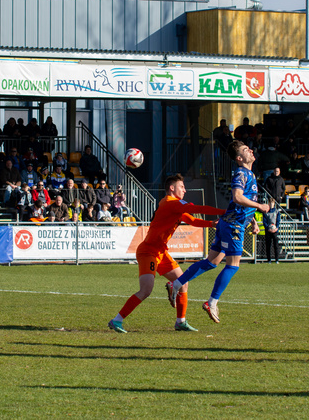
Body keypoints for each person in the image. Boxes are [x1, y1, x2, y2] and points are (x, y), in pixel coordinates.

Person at [108, 173, 225, 334]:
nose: (184, 190)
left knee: (183, 283)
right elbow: (196, 208)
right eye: (182, 187)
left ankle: (180, 322)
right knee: (146, 290)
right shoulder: (171, 203)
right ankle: (117, 320)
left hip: (161, 252)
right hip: (148, 252)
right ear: (172, 188)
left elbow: (191, 220)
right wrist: (224, 211)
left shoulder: (176, 206)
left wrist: (211, 223)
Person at [170, 140, 269, 323]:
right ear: (239, 158)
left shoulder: (249, 174)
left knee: (212, 262)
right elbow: (237, 197)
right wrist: (260, 206)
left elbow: (242, 201)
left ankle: (176, 283)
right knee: (233, 265)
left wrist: (253, 220)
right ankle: (212, 302)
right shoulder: (241, 173)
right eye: (246, 150)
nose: (251, 151)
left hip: (230, 222)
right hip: (233, 225)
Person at [262, 198, 280, 263]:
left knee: (276, 245)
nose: (271, 204)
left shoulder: (276, 211)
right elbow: (264, 221)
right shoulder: (266, 212)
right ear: (268, 203)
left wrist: (276, 228)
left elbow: (278, 221)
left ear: (274, 204)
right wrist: (268, 228)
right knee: (268, 246)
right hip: (268, 231)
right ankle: (269, 260)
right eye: (270, 203)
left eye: (272, 203)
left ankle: (277, 260)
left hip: (275, 231)